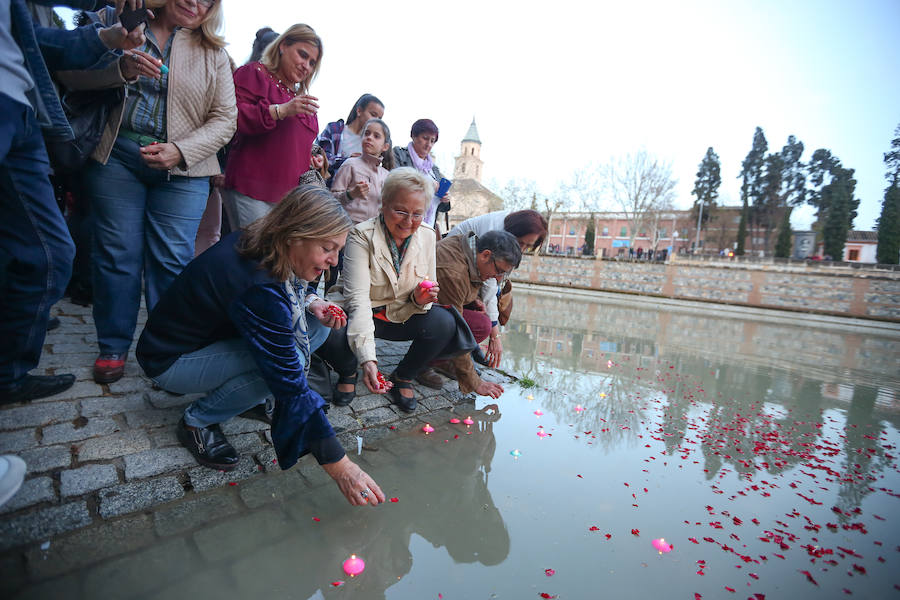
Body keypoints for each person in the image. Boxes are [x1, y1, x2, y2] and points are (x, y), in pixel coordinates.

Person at [136, 186, 382, 505]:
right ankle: (197, 420)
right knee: (284, 366)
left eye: (338, 250)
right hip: (170, 361)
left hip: (213, 338)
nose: (334, 260)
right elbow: (289, 382)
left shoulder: (266, 244)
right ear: (297, 233)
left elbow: (291, 293)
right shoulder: (257, 283)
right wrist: (343, 467)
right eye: (327, 248)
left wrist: (310, 302)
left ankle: (245, 396)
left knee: (316, 331)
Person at [82, 0, 237, 385]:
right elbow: (73, 74)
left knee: (172, 260)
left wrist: (181, 150)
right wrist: (119, 68)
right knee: (118, 254)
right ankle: (113, 347)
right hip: (117, 154)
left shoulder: (214, 53)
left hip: (184, 169)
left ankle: (166, 349)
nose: (195, 2)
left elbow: (225, 119)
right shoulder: (119, 21)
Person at [0, 0, 147, 404]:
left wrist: (109, 36)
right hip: (28, 113)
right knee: (105, 250)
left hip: (28, 112)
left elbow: (40, 42)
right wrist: (112, 48)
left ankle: (9, 374)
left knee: (51, 252)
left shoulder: (31, 19)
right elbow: (67, 64)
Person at [331, 167, 475, 412]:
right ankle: (348, 372)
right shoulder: (360, 235)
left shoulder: (428, 235)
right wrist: (369, 360)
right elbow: (357, 300)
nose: (409, 222)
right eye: (400, 211)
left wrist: (420, 300)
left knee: (444, 322)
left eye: (417, 214)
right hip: (363, 311)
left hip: (401, 313)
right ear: (383, 204)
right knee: (333, 323)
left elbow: (426, 291)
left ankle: (404, 376)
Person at [223, 23, 321, 229]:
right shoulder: (253, 74)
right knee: (254, 257)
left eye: (312, 63)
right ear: (283, 45)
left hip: (288, 202)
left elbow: (294, 144)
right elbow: (232, 118)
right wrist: (281, 110)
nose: (306, 66)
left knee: (275, 261)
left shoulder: (300, 98)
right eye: (302, 55)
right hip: (252, 189)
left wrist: (312, 156)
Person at [442, 209, 547, 372]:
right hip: (453, 276)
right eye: (521, 242)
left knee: (477, 313)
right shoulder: (495, 233)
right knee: (477, 323)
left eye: (529, 246)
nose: (523, 248)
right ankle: (442, 360)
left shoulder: (508, 236)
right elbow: (490, 285)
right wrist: (495, 334)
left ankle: (464, 349)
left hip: (467, 275)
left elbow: (495, 281)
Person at [431, 230, 521, 398]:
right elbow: (457, 331)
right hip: (409, 316)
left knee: (482, 322)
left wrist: (471, 301)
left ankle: (439, 360)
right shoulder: (453, 271)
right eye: (499, 271)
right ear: (486, 255)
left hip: (435, 305)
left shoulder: (468, 246)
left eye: (504, 274)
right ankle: (420, 365)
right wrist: (475, 382)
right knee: (478, 326)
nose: (499, 279)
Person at [392, 118, 451, 234]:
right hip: (401, 223)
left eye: (432, 141)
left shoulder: (434, 170)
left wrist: (445, 200)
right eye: (425, 138)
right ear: (413, 136)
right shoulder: (399, 154)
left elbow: (440, 208)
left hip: (427, 229)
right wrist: (426, 183)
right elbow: (394, 181)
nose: (428, 144)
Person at [330, 117, 394, 225]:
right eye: (367, 133)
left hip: (374, 231)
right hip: (348, 229)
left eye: (376, 136)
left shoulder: (387, 176)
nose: (369, 138)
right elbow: (331, 200)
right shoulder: (350, 164)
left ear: (385, 147)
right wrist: (351, 194)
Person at [316, 92, 384, 176]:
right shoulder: (334, 129)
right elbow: (321, 157)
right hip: (326, 185)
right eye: (373, 114)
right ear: (359, 111)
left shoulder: (371, 142)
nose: (376, 120)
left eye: (380, 118)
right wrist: (347, 160)